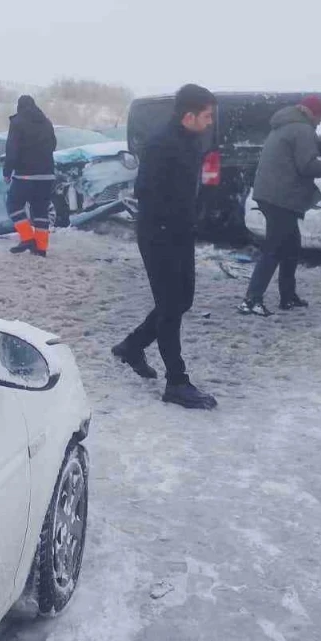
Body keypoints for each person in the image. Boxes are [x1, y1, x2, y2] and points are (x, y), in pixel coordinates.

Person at [112, 84, 219, 410]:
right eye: (207, 116)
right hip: (159, 235)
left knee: (182, 299)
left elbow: (189, 188)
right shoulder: (162, 144)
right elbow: (147, 191)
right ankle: (177, 382)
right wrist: (173, 222)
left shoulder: (192, 140)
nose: (210, 122)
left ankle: (132, 346)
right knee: (171, 307)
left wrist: (196, 215)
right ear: (189, 116)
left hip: (181, 233)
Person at [237, 95, 321, 316]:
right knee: (275, 248)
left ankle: (288, 296)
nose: (319, 122)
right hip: (282, 197)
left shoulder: (283, 125)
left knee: (291, 246)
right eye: (319, 117)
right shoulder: (302, 129)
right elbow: (307, 166)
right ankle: (251, 300)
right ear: (312, 113)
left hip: (269, 193)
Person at [4, 95, 58, 257]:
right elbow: (53, 144)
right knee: (41, 211)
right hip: (47, 175)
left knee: (13, 204)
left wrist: (7, 171)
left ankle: (27, 237)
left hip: (25, 175)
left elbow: (11, 150)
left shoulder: (17, 123)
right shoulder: (47, 122)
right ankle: (41, 248)